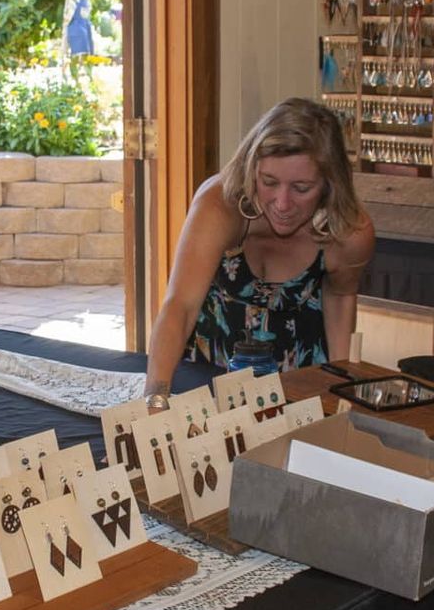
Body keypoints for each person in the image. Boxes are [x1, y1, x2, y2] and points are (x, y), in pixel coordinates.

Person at [142, 98, 374, 409]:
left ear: (330, 185)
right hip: (209, 373)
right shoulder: (220, 204)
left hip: (299, 379)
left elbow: (341, 297)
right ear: (252, 170)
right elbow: (180, 306)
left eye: (301, 188)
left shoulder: (349, 232)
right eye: (269, 182)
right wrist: (155, 398)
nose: (282, 203)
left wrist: (341, 389)